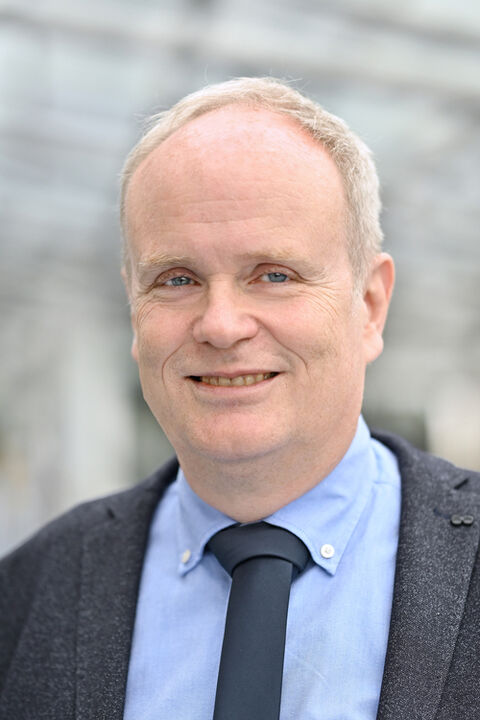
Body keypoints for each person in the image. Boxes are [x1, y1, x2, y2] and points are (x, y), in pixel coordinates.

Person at [1, 77, 479, 720]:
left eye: (274, 274)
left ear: (369, 306)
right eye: (177, 279)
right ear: (134, 310)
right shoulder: (27, 595)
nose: (221, 325)